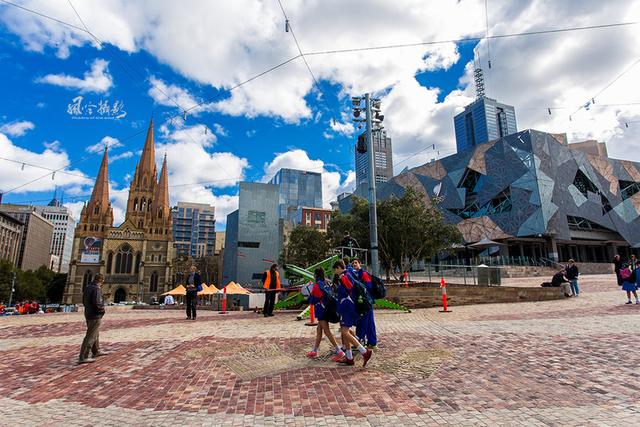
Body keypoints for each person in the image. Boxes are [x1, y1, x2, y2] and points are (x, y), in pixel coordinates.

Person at [332, 260, 372, 367]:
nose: (335, 272)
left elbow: (348, 290)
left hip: (347, 308)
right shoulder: (349, 274)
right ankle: (349, 357)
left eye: (335, 269)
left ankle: (364, 352)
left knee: (345, 332)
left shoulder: (345, 276)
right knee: (346, 331)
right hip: (346, 307)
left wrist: (342, 281)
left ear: (339, 267)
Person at [306, 268, 345, 361]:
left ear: (316, 275)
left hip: (321, 310)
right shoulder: (326, 283)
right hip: (327, 309)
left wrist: (309, 292)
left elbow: (312, 301)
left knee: (327, 331)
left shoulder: (316, 285)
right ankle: (314, 350)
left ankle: (339, 351)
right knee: (319, 329)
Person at [79, 273, 106, 364]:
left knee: (95, 333)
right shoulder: (96, 289)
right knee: (91, 335)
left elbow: (84, 301)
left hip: (88, 313)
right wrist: (102, 310)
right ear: (101, 281)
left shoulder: (88, 287)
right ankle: (83, 356)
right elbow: (97, 303)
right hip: (95, 315)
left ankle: (96, 351)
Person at [351, 258, 378, 349]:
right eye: (353, 263)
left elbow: (369, 286)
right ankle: (371, 342)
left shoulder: (364, 274)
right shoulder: (355, 275)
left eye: (356, 263)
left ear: (360, 264)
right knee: (368, 322)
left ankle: (360, 341)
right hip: (364, 302)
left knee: (362, 322)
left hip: (365, 302)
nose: (354, 264)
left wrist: (362, 291)